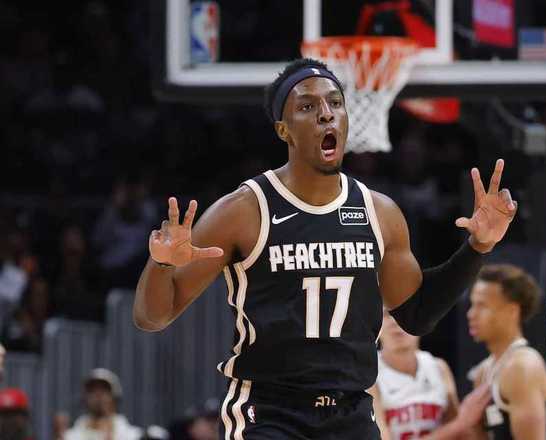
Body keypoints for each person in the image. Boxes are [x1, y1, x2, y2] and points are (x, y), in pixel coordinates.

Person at [133, 58, 517, 439]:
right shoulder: (244, 211)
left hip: (350, 413)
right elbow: (152, 317)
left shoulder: (379, 213)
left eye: (335, 102)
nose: (326, 114)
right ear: (284, 130)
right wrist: (161, 264)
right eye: (307, 106)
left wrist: (478, 246)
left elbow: (416, 314)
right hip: (269, 414)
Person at [370, 310, 490, 439]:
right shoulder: (370, 375)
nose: (395, 322)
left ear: (421, 322)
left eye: (402, 313)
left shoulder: (439, 367)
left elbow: (460, 433)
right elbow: (457, 426)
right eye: (387, 315)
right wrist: (458, 425)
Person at [467, 264, 546, 440]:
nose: (471, 314)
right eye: (472, 305)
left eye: (482, 306)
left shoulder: (522, 367)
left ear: (512, 311)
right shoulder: (483, 372)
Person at [63, 368, 142, 440]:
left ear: (115, 397)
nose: (98, 395)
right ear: (84, 399)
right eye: (92, 391)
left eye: (104, 390)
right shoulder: (70, 437)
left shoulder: (134, 436)